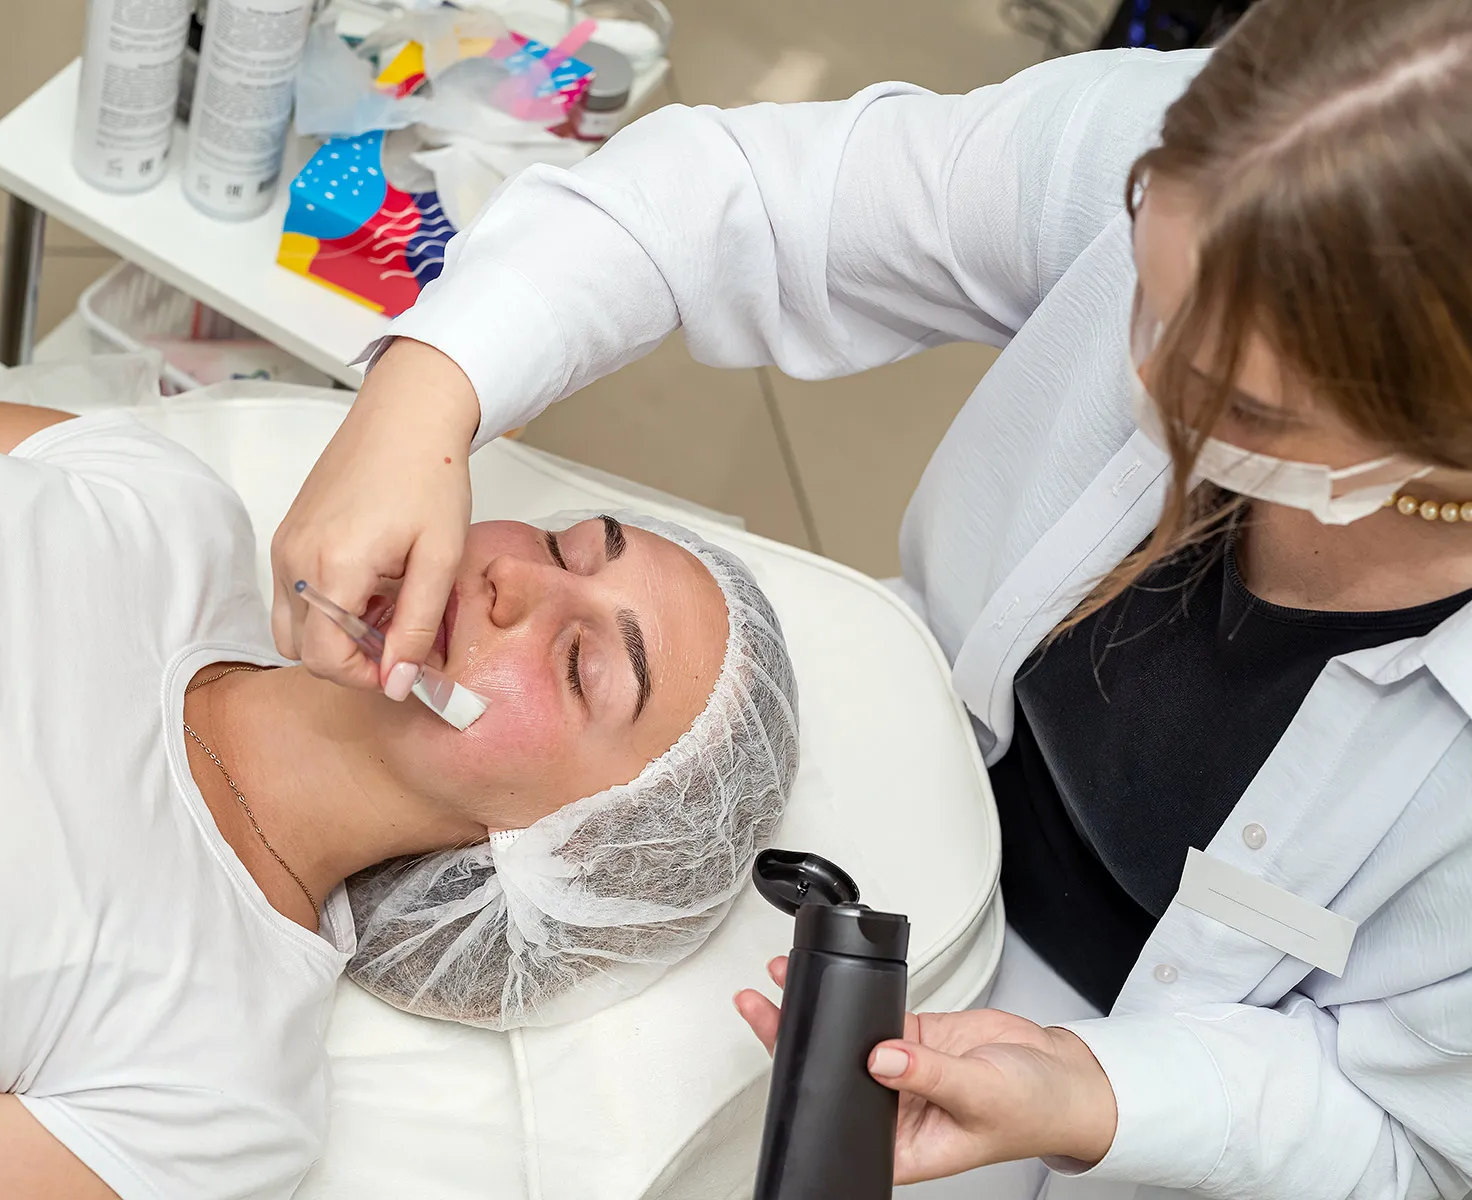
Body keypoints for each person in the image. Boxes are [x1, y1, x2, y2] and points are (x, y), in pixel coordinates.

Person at [268, 0, 1472, 1195]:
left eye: (1244, 407)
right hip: (910, 730)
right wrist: (421, 396)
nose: (1145, 376)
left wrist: (1098, 1097)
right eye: (1148, 278)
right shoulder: (1233, 142)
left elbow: (1408, 1139)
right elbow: (739, 198)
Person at [0, 363, 799, 1199]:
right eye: (563, 546)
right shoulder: (164, 499)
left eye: (581, 664)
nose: (511, 578)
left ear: (556, 851)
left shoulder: (217, 1076)